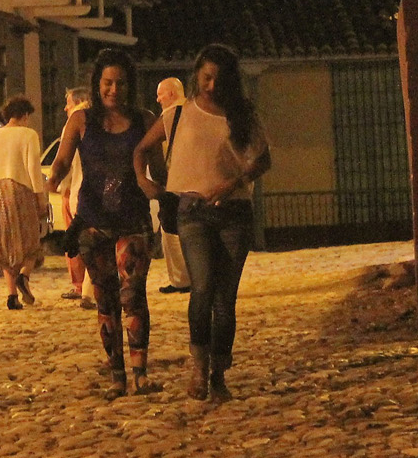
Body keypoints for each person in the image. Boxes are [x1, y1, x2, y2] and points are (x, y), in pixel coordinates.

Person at [134, 44, 271, 402]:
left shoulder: (241, 115)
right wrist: (146, 179)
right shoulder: (179, 113)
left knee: (225, 299)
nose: (211, 86)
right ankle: (198, 368)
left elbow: (262, 160)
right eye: (207, 77)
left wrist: (234, 182)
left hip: (234, 212)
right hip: (192, 211)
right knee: (203, 287)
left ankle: (219, 372)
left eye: (219, 80)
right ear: (196, 74)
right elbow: (142, 148)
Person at [47, 49, 159, 396]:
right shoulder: (81, 121)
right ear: (97, 84)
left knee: (133, 295)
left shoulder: (145, 120)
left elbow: (160, 169)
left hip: (133, 219)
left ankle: (140, 373)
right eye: (108, 83)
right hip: (93, 222)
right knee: (105, 300)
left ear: (130, 86)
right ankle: (117, 376)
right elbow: (62, 160)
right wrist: (51, 180)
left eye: (121, 83)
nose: (114, 90)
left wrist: (169, 194)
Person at [0, 97, 47, 310]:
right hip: (19, 188)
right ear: (25, 115)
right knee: (29, 239)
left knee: (4, 242)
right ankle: (24, 276)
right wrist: (40, 197)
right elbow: (33, 168)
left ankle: (11, 295)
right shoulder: (29, 134)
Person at [152, 77, 192, 295]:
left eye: (160, 94)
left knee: (170, 230)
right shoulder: (195, 111)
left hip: (174, 181)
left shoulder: (169, 116)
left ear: (171, 94)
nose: (158, 99)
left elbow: (150, 145)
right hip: (195, 182)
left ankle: (180, 279)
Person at [57, 86, 94, 309]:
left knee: (78, 241)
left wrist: (62, 187)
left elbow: (65, 160)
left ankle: (82, 286)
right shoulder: (102, 120)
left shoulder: (74, 122)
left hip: (77, 190)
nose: (65, 108)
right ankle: (89, 288)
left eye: (68, 103)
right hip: (91, 190)